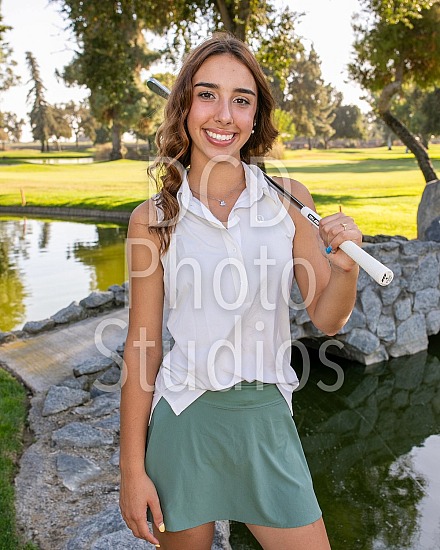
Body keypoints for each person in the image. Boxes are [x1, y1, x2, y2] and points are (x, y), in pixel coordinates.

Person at [119, 32, 362, 550]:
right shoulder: (154, 219)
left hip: (265, 418)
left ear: (256, 117)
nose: (223, 114)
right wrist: (131, 469)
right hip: (184, 419)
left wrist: (345, 271)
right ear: (185, 107)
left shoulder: (290, 199)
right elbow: (142, 348)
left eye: (241, 100)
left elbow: (328, 319)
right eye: (207, 94)